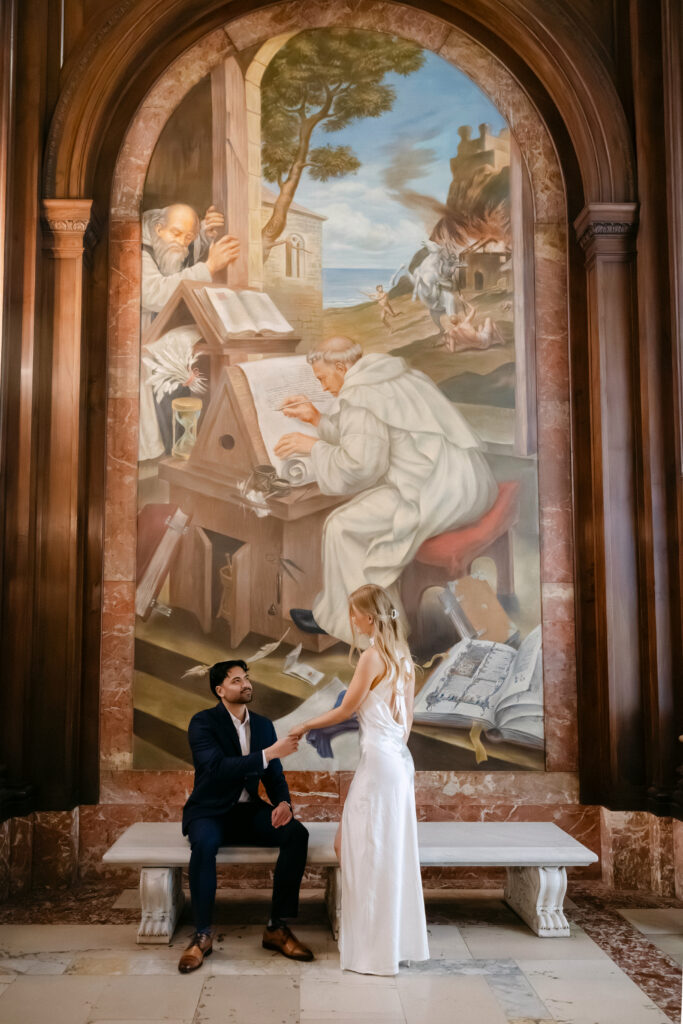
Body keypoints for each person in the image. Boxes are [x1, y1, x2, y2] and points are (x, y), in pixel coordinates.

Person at [273, 336, 497, 642]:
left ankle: (377, 635)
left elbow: (360, 466)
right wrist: (317, 418)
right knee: (354, 520)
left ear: (341, 366)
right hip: (463, 483)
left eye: (323, 377)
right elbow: (364, 435)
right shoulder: (387, 373)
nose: (323, 387)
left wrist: (312, 447)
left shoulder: (360, 394)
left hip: (432, 494)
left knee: (341, 526)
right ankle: (348, 617)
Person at [289, 585, 429, 975]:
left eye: (354, 613)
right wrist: (390, 750)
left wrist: (303, 724)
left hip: (382, 764)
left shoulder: (372, 656)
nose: (352, 620)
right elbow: (407, 722)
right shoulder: (402, 656)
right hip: (397, 761)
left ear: (369, 617)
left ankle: (373, 950)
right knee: (373, 847)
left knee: (366, 850)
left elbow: (346, 711)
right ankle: (385, 940)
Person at [178, 659, 314, 974]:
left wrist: (284, 803)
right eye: (237, 680)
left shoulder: (264, 725)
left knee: (296, 834)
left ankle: (276, 927)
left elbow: (275, 776)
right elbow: (216, 769)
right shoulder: (202, 723)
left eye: (246, 678)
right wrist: (268, 754)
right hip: (209, 811)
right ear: (219, 690)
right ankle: (201, 935)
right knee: (204, 845)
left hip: (246, 810)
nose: (246, 684)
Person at [139, 203, 240, 461]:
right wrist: (209, 268)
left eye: (188, 237)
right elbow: (153, 292)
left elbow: (180, 257)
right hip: (140, 343)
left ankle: (179, 454)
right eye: (175, 233)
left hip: (164, 341)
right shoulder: (138, 249)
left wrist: (205, 233)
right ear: (158, 228)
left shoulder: (172, 240)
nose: (181, 242)